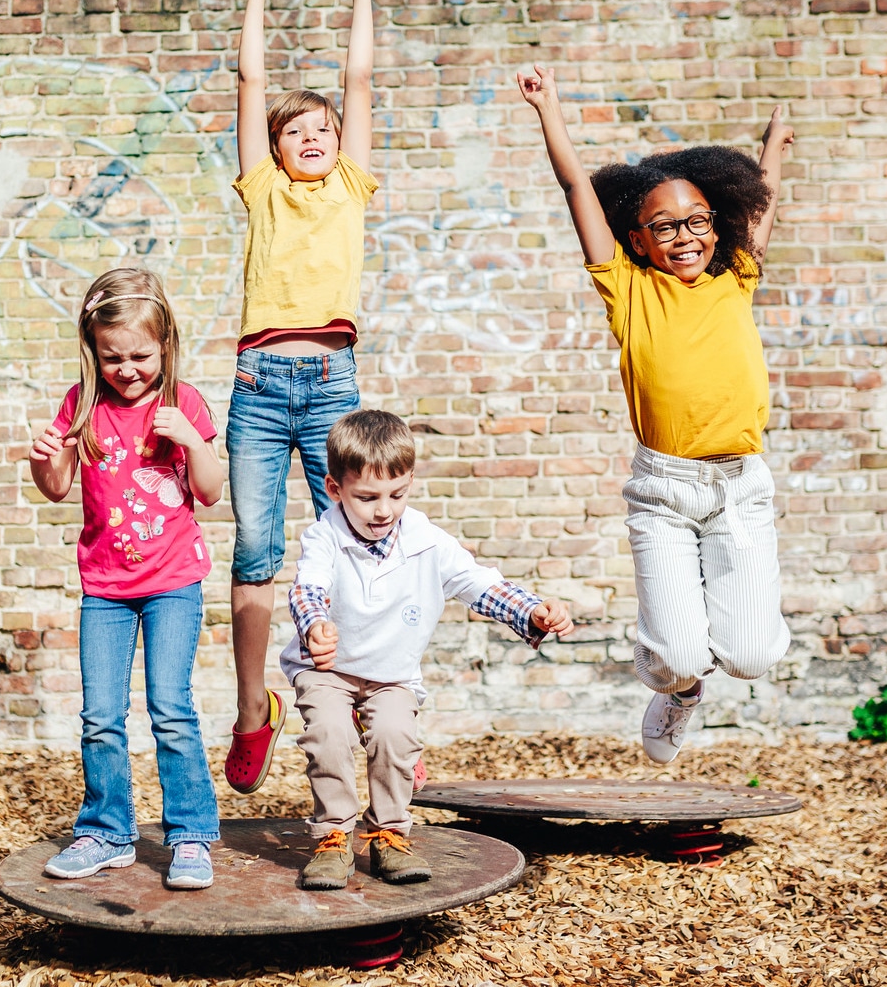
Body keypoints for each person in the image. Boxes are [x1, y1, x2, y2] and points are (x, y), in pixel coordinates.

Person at [517, 64, 796, 764]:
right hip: (664, 492)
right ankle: (676, 692)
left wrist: (776, 148)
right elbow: (577, 187)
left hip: (741, 488)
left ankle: (695, 678)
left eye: (698, 221)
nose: (684, 236)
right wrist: (549, 106)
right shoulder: (628, 289)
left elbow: (760, 205)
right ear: (636, 239)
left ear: (717, 223)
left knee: (754, 656)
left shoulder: (736, 274)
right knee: (677, 655)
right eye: (664, 226)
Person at [281, 411, 572, 889]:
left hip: (391, 672)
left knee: (394, 734)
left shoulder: (426, 541)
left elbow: (480, 584)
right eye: (367, 498)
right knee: (330, 732)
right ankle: (334, 836)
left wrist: (533, 610)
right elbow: (307, 587)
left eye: (397, 495)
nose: (383, 511)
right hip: (326, 668)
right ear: (334, 489)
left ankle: (389, 835)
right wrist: (315, 624)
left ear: (410, 481)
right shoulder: (325, 535)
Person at [224, 0, 381, 795]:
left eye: (323, 129)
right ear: (276, 148)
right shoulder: (263, 188)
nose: (314, 138)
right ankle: (255, 709)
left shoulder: (350, 184)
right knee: (254, 549)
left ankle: (369, 703)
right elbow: (250, 84)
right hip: (256, 388)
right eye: (298, 131)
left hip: (331, 385)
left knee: (356, 541)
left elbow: (358, 83)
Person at [28, 268, 225, 890]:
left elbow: (212, 493)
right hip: (105, 588)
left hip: (173, 582)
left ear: (165, 345)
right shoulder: (82, 405)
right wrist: (45, 458)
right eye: (113, 357)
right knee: (100, 715)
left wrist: (192, 441)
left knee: (170, 708)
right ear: (93, 350)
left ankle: (190, 835)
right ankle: (107, 832)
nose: (128, 368)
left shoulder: (183, 403)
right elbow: (57, 489)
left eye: (141, 355)